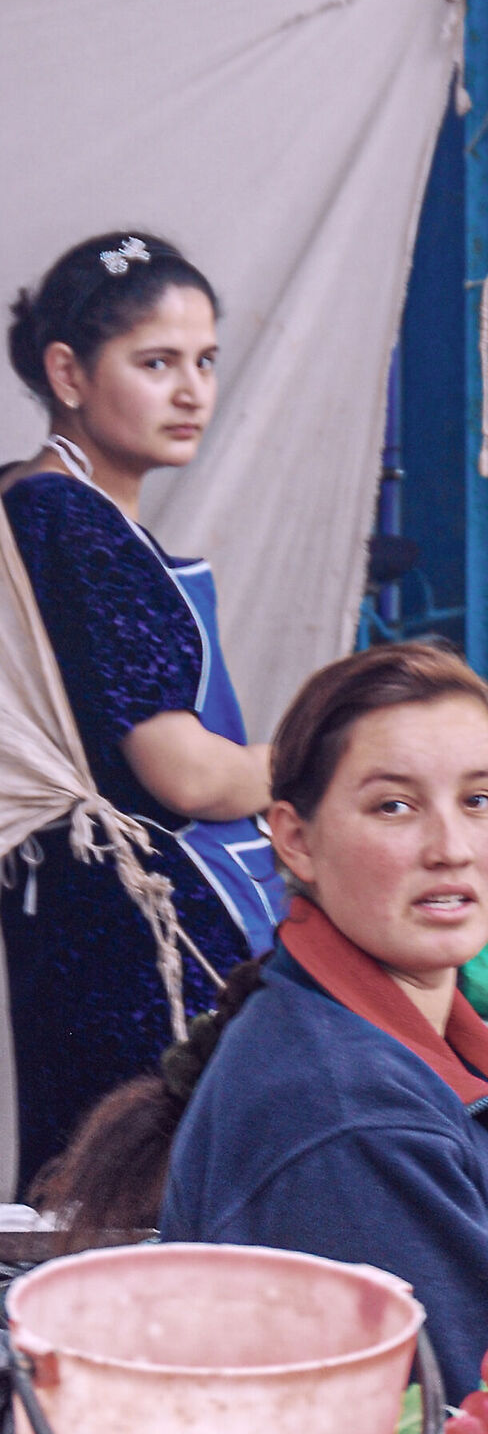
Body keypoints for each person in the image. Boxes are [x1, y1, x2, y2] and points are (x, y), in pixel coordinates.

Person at [39, 643, 488, 1402]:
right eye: (394, 806)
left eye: (479, 799)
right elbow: (483, 1427)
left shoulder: (406, 1056)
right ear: (295, 839)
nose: (451, 849)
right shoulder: (350, 1118)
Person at [1, 233, 281, 1193]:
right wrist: (326, 758)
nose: (193, 391)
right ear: (68, 373)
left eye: (205, 361)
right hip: (133, 937)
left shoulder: (39, 504)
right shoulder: (73, 523)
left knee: (88, 1194)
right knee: (141, 1197)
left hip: (77, 922)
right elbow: (186, 775)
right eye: (156, 363)